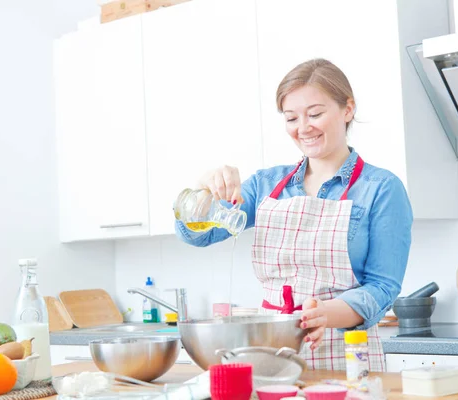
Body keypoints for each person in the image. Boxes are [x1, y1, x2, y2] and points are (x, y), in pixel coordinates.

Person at [175, 58, 413, 371]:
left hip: (345, 355)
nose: (303, 128)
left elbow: (382, 288)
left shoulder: (381, 188)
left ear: (348, 109)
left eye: (315, 113)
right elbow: (199, 235)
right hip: (269, 355)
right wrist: (202, 193)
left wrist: (326, 313)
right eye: (291, 118)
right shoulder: (266, 185)